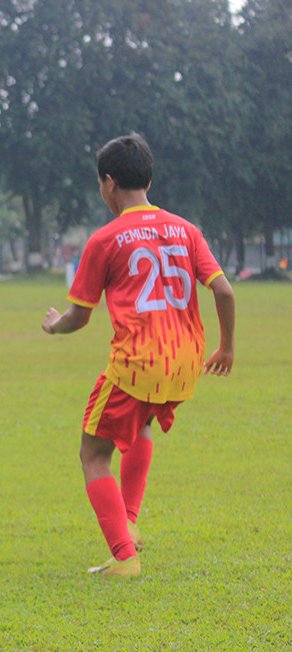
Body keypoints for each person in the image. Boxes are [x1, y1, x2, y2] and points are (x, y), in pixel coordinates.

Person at [41, 134, 236, 577]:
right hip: (186, 360)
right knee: (141, 424)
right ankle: (130, 522)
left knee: (93, 454)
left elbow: (79, 317)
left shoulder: (105, 238)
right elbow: (223, 288)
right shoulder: (186, 229)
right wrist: (226, 346)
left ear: (109, 183)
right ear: (147, 177)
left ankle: (124, 557)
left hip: (138, 362)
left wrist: (54, 324)